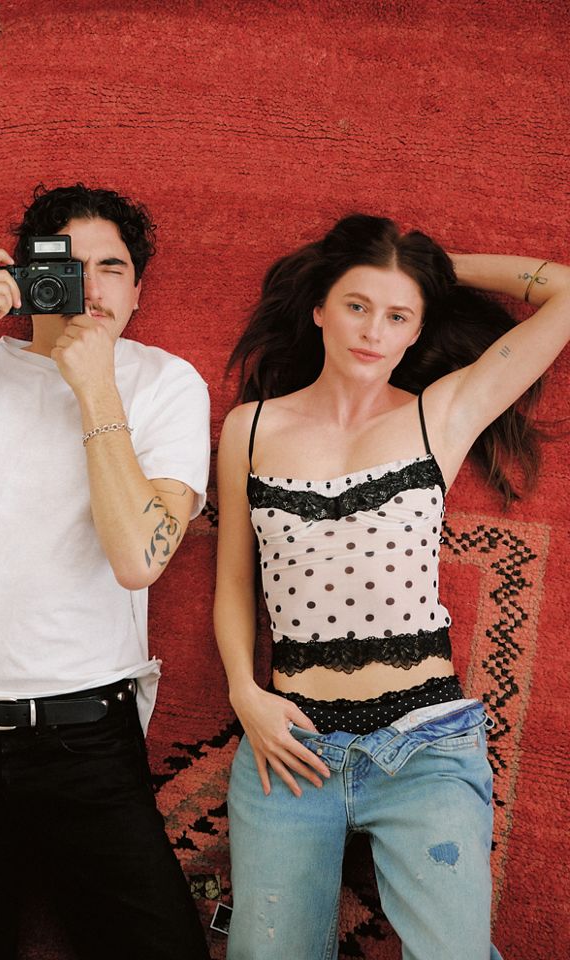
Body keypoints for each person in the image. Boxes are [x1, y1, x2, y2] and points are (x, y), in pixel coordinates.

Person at [214, 213, 570, 960]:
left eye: (399, 315)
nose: (374, 330)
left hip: (425, 744)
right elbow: (235, 584)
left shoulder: (442, 412)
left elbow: (565, 294)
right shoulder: (250, 428)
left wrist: (434, 264)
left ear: (417, 329)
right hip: (290, 742)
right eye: (357, 305)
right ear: (320, 308)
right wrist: (245, 695)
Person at [0, 184, 211, 960]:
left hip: (84, 736)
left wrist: (95, 389)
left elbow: (139, 559)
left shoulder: (165, 382)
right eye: (67, 264)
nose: (89, 286)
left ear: (139, 290)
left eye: (112, 267)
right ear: (26, 276)